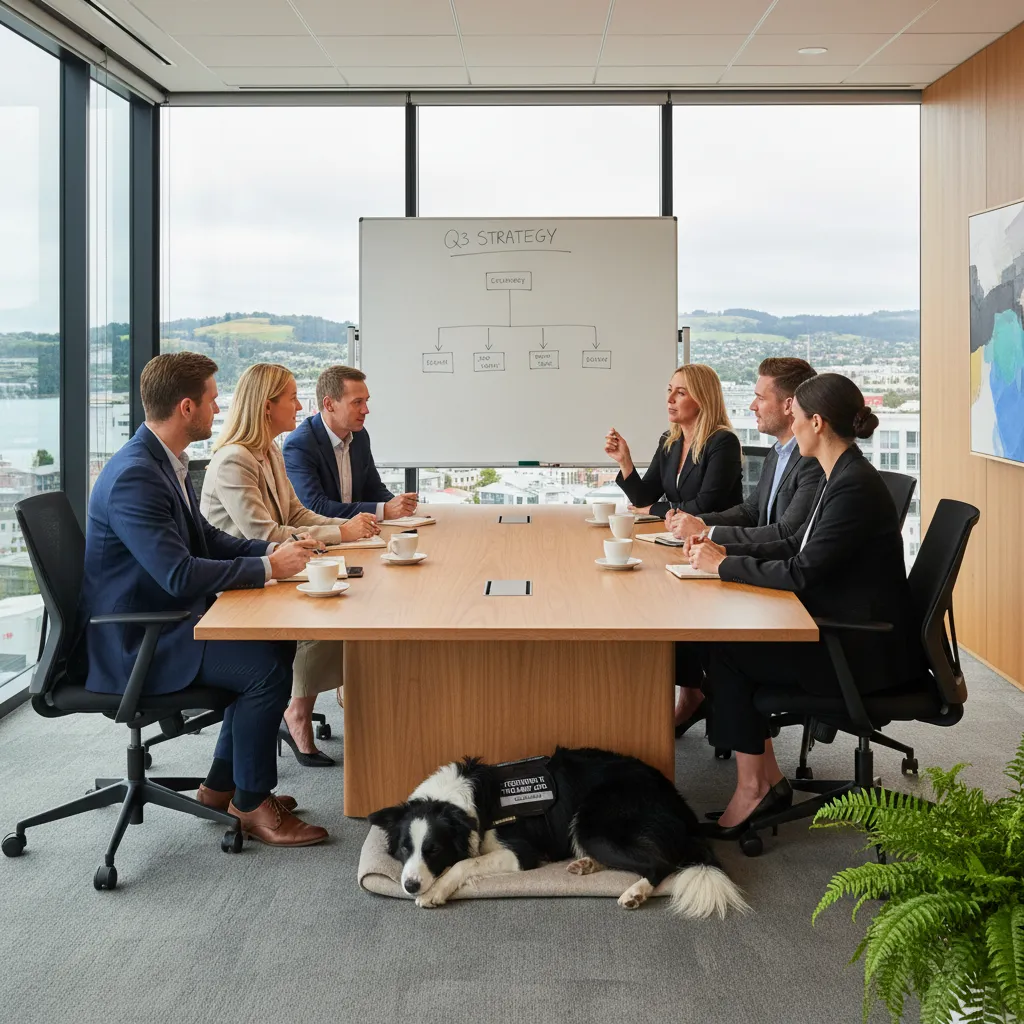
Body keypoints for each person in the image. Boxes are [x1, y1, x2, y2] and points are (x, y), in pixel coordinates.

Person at [80, 352, 328, 846]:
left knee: (273, 647)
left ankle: (220, 788)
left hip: (168, 621)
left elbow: (205, 541)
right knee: (265, 669)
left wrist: (270, 551)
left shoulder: (163, 461)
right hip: (138, 641)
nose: (220, 409)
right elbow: (177, 573)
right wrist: (265, 569)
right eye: (214, 399)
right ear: (187, 406)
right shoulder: (136, 475)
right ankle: (253, 803)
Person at [685, 373, 924, 840]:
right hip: (848, 628)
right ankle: (765, 781)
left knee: (728, 651)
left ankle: (756, 786)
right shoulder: (843, 473)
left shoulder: (850, 485)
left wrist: (722, 566)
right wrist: (726, 561)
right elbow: (800, 554)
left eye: (794, 419)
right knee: (729, 645)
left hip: (859, 650)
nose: (790, 429)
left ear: (817, 422)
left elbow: (801, 571)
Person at [201, 363, 381, 768]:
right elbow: (263, 534)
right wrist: (341, 535)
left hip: (271, 572)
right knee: (335, 612)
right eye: (292, 399)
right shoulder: (234, 460)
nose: (301, 407)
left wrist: (347, 528)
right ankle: (293, 714)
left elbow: (297, 515)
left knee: (349, 600)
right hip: (240, 586)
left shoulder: (269, 450)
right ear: (267, 408)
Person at [665, 358, 823, 737]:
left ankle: (730, 733)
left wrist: (715, 539)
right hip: (763, 566)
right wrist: (706, 527)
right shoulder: (778, 452)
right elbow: (754, 511)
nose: (751, 405)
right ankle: (698, 701)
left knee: (718, 642)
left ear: (789, 406)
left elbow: (787, 533)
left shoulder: (811, 463)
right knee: (682, 609)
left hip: (789, 590)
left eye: (758, 397)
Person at [603, 363, 742, 520]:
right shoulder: (669, 441)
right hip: (679, 535)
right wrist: (624, 460)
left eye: (681, 393)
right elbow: (643, 499)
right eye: (670, 390)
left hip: (715, 537)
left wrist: (653, 509)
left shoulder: (723, 442)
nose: (670, 399)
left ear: (703, 399)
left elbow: (704, 506)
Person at [283, 365, 418, 521]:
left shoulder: (359, 435)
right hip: (322, 539)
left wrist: (402, 507)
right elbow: (315, 508)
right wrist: (384, 511)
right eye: (357, 402)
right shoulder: (300, 444)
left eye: (366, 401)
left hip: (359, 536)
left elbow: (373, 489)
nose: (365, 410)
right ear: (329, 404)